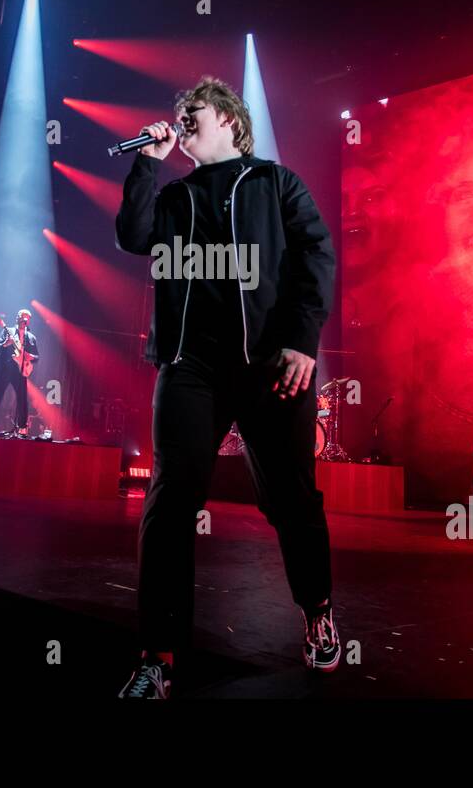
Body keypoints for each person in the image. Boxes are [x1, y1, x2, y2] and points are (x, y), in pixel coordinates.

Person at [114, 75, 337, 698]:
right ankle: (157, 657)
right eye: (178, 112)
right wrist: (146, 168)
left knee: (290, 499)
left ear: (231, 121)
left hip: (268, 364)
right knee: (170, 501)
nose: (181, 117)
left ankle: (317, 609)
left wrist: (301, 338)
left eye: (195, 110)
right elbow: (133, 237)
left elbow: (316, 255)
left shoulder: (274, 182)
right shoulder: (176, 195)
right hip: (190, 368)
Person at [0, 308, 38, 436]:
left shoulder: (31, 337)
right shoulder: (7, 330)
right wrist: (6, 344)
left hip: (20, 371)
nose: (25, 320)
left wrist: (30, 356)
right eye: (22, 317)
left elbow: (37, 357)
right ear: (17, 318)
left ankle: (22, 429)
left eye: (27, 318)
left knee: (22, 400)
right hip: (4, 369)